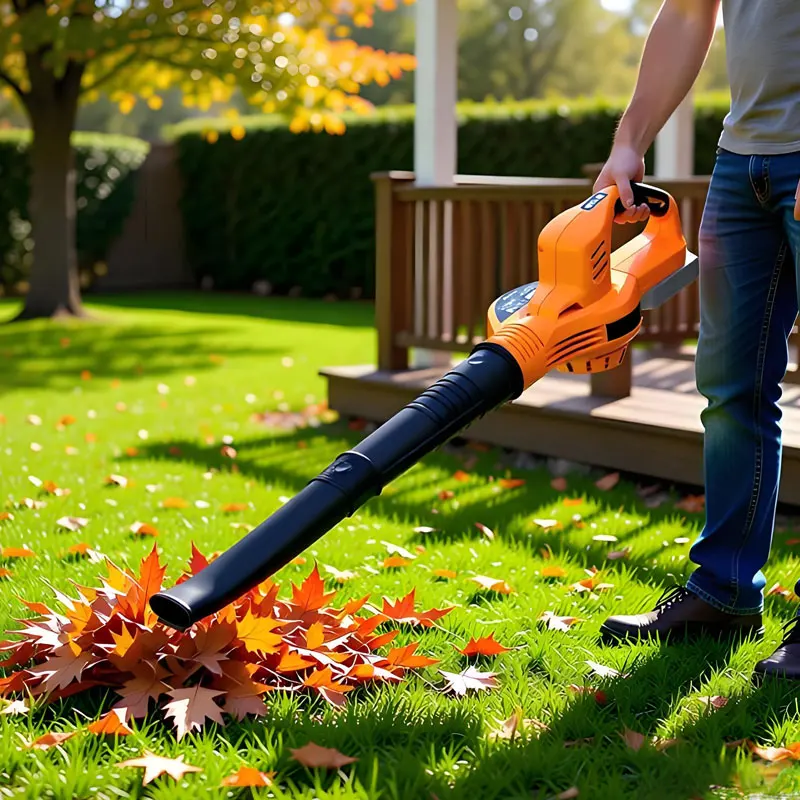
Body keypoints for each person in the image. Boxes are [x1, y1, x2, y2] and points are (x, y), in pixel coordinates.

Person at [592, 0, 800, 680]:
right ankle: (724, 593)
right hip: (745, 165)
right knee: (730, 388)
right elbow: (687, 12)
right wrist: (629, 137)